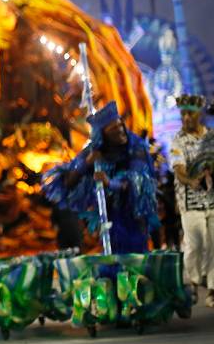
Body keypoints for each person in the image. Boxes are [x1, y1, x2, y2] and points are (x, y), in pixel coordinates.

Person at [42, 101, 158, 254]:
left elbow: (135, 181)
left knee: (134, 256)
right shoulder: (95, 150)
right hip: (109, 216)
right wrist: (86, 163)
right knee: (113, 257)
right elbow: (68, 182)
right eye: (113, 129)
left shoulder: (136, 147)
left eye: (120, 125)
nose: (120, 131)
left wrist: (109, 182)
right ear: (104, 135)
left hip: (135, 214)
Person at [170, 93, 214, 307]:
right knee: (195, 244)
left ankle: (213, 289)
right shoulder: (178, 140)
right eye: (183, 114)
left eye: (190, 113)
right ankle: (194, 283)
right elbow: (179, 171)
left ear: (199, 114)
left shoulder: (210, 137)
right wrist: (192, 180)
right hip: (190, 203)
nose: (186, 118)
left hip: (212, 200)